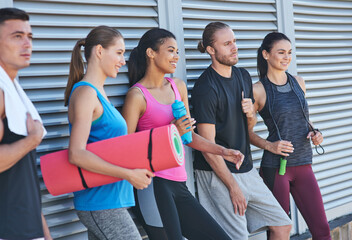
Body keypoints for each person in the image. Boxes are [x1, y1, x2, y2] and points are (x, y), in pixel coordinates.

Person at [122, 27, 244, 240]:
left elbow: (188, 137)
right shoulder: (137, 96)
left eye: (177, 51)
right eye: (171, 50)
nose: (176, 56)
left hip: (179, 184)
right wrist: (171, 131)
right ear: (151, 53)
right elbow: (125, 150)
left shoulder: (177, 86)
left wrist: (222, 150)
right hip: (153, 186)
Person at [191, 22, 292, 240]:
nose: (234, 47)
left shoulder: (243, 76)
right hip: (218, 173)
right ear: (211, 50)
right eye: (227, 44)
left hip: (245, 167)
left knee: (282, 224)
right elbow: (208, 148)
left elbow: (247, 130)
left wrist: (250, 116)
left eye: (234, 41)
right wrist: (232, 186)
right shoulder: (205, 88)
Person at [64, 25, 155, 240]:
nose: (123, 61)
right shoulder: (86, 93)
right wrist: (128, 174)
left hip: (111, 200)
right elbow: (76, 153)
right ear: (99, 51)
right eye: (119, 52)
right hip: (100, 202)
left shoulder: (99, 93)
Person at [248, 31, 331, 239]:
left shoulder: (298, 82)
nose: (287, 58)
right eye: (281, 52)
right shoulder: (258, 90)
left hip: (303, 163)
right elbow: (246, 132)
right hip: (276, 168)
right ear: (266, 55)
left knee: (322, 230)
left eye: (290, 53)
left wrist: (315, 132)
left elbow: (303, 118)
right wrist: (270, 146)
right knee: (279, 232)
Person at [0, 7, 52, 240]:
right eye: (17, 36)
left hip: (28, 229)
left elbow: (25, 175)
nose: (27, 44)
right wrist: (32, 140)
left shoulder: (14, 89)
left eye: (29, 37)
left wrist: (45, 234)